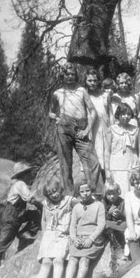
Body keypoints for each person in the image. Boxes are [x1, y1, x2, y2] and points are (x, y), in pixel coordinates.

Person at [49, 63, 103, 195]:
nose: (70, 77)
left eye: (73, 74)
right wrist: (56, 119)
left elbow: (93, 112)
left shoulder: (81, 91)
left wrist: (87, 130)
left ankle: (95, 195)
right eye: (67, 74)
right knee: (65, 164)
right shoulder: (57, 93)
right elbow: (50, 112)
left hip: (81, 128)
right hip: (64, 129)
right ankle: (69, 197)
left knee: (93, 162)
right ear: (63, 76)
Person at [0, 162, 41, 269]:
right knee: (4, 240)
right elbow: (31, 199)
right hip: (12, 215)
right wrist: (42, 206)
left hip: (17, 214)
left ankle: (24, 233)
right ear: (23, 175)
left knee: (35, 215)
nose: (30, 175)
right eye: (28, 173)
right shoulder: (20, 184)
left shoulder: (19, 184)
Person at [36, 180, 77, 278]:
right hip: (49, 236)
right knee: (46, 262)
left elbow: (82, 205)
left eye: (55, 191)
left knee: (58, 261)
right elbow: (44, 219)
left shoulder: (68, 200)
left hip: (63, 235)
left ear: (60, 189)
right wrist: (45, 234)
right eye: (50, 194)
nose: (54, 195)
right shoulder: (46, 204)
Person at [65, 181, 107, 278]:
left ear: (91, 191)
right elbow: (72, 226)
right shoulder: (76, 207)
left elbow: (101, 224)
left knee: (84, 260)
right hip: (79, 239)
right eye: (82, 191)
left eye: (87, 190)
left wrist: (91, 239)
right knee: (72, 260)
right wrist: (74, 239)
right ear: (78, 193)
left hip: (93, 239)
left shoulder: (99, 205)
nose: (85, 193)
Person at [105, 103, 140, 198]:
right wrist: (107, 170)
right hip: (117, 166)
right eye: (123, 114)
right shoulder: (112, 129)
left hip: (133, 165)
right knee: (120, 193)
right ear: (118, 115)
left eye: (128, 114)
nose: (126, 116)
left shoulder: (136, 130)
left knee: (133, 194)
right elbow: (107, 152)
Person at [86, 69, 110, 176]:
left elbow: (110, 113)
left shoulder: (103, 96)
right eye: (89, 80)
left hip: (103, 129)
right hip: (91, 131)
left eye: (95, 80)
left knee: (105, 158)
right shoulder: (84, 95)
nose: (92, 83)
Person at [103, 181, 126, 272]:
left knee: (123, 226)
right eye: (109, 194)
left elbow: (126, 217)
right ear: (105, 194)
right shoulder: (103, 202)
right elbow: (101, 217)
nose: (112, 196)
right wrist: (109, 214)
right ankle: (115, 252)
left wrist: (120, 215)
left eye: (114, 193)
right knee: (107, 225)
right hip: (108, 225)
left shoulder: (122, 202)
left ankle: (119, 250)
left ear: (118, 192)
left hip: (119, 224)